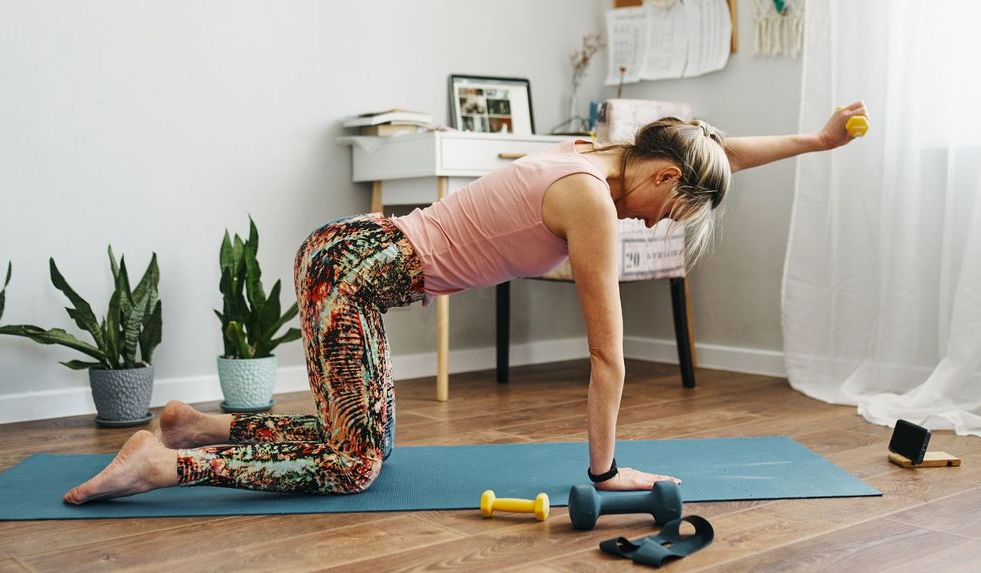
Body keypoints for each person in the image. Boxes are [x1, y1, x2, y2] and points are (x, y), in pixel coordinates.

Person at [63, 101, 869, 504]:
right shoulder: (591, 201)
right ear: (660, 178)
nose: (658, 223)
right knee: (357, 464)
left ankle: (191, 423)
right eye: (673, 210)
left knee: (358, 432)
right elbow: (608, 356)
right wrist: (606, 468)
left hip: (349, 254)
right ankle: (169, 464)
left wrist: (818, 143)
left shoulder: (603, 155)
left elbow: (715, 150)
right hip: (353, 272)